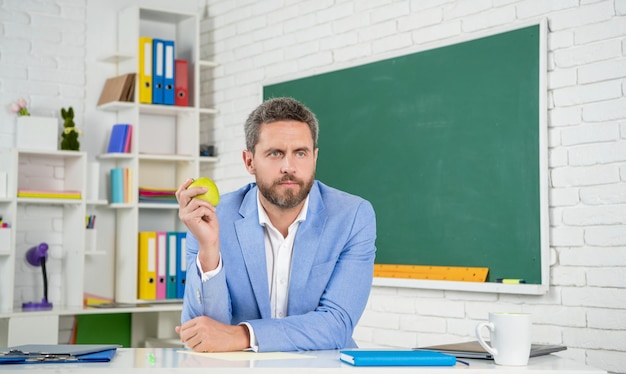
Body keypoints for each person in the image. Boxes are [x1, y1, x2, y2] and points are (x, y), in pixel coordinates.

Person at [174, 97, 377, 352]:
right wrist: (209, 249)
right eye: (275, 153)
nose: (288, 167)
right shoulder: (212, 217)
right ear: (250, 162)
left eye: (300, 153)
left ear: (314, 158)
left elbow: (337, 325)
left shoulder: (352, 217)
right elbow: (203, 331)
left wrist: (243, 335)